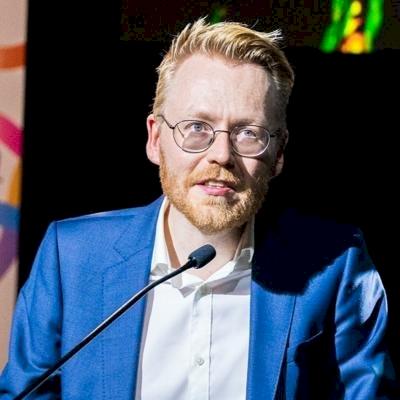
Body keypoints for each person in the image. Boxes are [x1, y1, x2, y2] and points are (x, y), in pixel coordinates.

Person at [0, 18, 396, 399]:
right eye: (196, 128)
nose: (221, 154)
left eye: (248, 133)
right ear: (156, 139)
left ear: (278, 154)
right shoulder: (72, 259)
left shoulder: (337, 266)